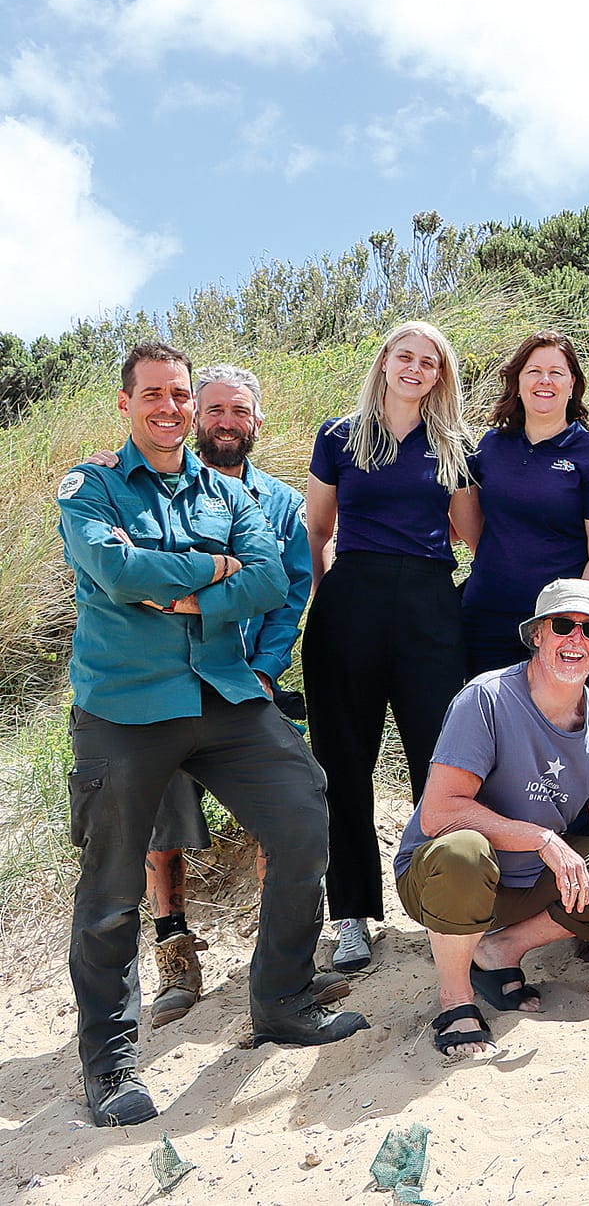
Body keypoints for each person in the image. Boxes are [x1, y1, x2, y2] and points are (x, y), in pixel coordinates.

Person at [59, 341, 367, 1126]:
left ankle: (281, 999)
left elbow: (268, 578)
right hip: (124, 707)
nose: (171, 407)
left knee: (304, 812)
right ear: (126, 403)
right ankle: (111, 1062)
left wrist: (186, 589)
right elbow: (110, 572)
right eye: (154, 393)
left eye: (182, 395)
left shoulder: (231, 496)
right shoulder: (90, 487)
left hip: (223, 694)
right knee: (110, 888)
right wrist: (213, 570)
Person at [83, 364, 335, 1027]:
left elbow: (286, 590)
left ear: (258, 422)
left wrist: (262, 668)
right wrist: (222, 572)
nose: (226, 420)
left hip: (248, 684)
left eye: (239, 410)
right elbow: (123, 575)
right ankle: (175, 956)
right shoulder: (146, 487)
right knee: (159, 831)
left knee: (289, 816)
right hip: (161, 688)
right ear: (197, 417)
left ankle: (280, 968)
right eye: (215, 407)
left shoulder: (277, 503)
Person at [393, 580, 589, 1059]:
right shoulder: (486, 698)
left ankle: (501, 950)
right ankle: (455, 999)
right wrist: (543, 838)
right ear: (538, 636)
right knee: (465, 849)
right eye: (563, 625)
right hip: (441, 878)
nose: (576, 639)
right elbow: (439, 813)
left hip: (525, 889)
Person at [303, 320, 479, 974]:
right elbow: (318, 528)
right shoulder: (339, 435)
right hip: (349, 602)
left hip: (431, 607)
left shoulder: (453, 443)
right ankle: (350, 917)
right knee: (342, 766)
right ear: (383, 362)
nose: (414, 368)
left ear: (440, 375)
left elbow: (474, 537)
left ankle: (446, 905)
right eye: (404, 355)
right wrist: (328, 602)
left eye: (428, 361)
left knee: (440, 764)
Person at [459, 330, 589, 683]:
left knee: (564, 734)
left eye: (556, 372)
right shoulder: (490, 446)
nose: (544, 381)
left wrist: (575, 619)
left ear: (572, 384)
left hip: (562, 628)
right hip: (487, 620)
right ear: (517, 382)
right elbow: (472, 528)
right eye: (533, 371)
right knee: (491, 731)